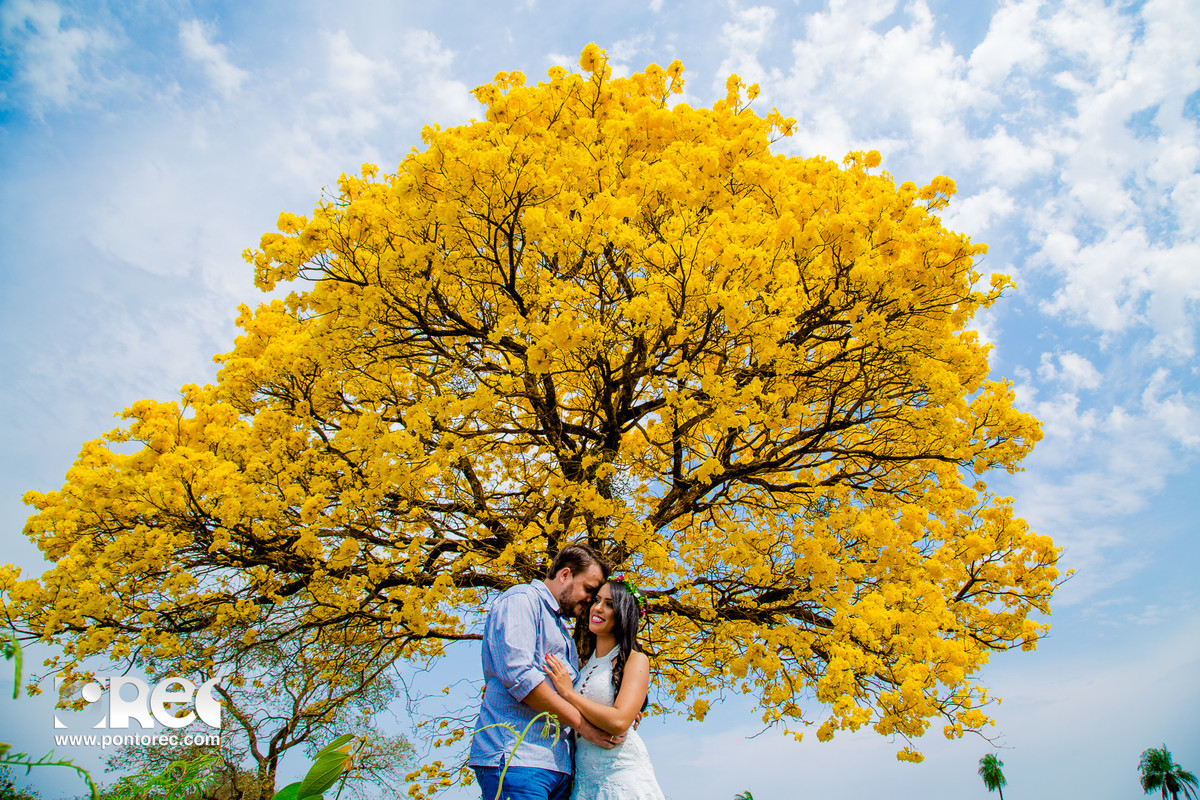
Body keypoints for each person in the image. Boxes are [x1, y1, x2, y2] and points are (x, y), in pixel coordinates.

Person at [469, 544, 620, 800]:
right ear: (565, 575)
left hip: (557, 766)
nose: (590, 600)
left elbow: (571, 693)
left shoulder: (561, 628)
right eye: (589, 589)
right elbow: (520, 676)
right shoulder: (521, 599)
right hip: (518, 758)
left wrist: (616, 710)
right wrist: (583, 726)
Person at [543, 575, 667, 800]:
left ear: (623, 615)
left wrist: (569, 693)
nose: (597, 608)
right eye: (597, 600)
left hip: (620, 774)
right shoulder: (579, 665)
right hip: (583, 780)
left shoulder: (635, 660)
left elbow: (619, 721)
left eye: (609, 604)